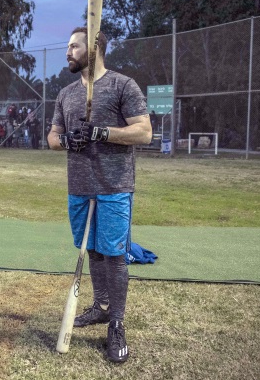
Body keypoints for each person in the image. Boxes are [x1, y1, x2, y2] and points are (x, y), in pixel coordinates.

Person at [47, 27, 152, 363]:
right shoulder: (65, 94)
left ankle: (117, 323)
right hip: (78, 186)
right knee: (91, 250)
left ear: (94, 48)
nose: (68, 52)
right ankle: (102, 306)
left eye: (74, 46)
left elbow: (144, 132)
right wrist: (67, 141)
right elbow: (52, 135)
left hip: (114, 185)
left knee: (114, 255)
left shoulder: (123, 85)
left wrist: (103, 132)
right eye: (67, 47)